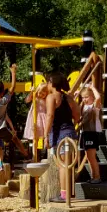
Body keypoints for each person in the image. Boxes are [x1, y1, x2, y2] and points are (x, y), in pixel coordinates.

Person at [45, 71, 80, 201]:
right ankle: (68, 193)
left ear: (52, 83)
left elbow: (50, 115)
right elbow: (77, 114)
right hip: (70, 132)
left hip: (58, 134)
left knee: (62, 165)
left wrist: (45, 135)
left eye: (47, 82)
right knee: (67, 165)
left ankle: (64, 195)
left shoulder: (51, 97)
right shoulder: (68, 98)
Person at [79, 78, 102, 184]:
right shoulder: (83, 106)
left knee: (91, 156)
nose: (84, 99)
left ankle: (97, 177)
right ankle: (94, 176)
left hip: (92, 132)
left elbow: (99, 98)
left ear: (92, 96)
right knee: (88, 156)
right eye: (83, 97)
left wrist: (92, 87)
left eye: (86, 97)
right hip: (85, 133)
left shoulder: (94, 106)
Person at [23, 81, 49, 154]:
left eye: (43, 94)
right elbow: (27, 100)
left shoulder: (46, 100)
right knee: (35, 138)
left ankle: (46, 153)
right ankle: (34, 156)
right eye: (39, 93)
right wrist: (32, 92)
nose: (40, 95)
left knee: (46, 136)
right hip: (35, 118)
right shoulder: (35, 97)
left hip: (43, 117)